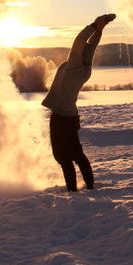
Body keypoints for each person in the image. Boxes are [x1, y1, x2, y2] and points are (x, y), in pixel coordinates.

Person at [42, 13, 115, 191]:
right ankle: (89, 185)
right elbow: (89, 47)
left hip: (61, 118)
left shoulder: (74, 66)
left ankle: (73, 191)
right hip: (70, 117)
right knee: (76, 154)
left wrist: (93, 25)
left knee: (62, 156)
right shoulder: (84, 68)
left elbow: (79, 41)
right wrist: (98, 31)